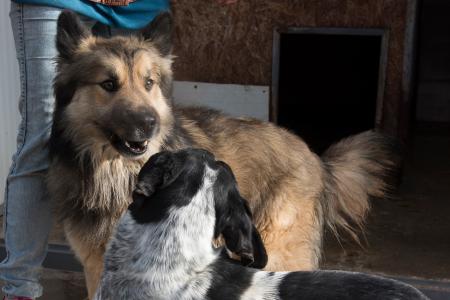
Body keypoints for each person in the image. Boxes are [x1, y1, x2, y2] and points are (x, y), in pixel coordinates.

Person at [1, 1, 239, 299]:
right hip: (58, 1)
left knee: (146, 131)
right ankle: (20, 288)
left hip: (136, 3)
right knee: (41, 137)